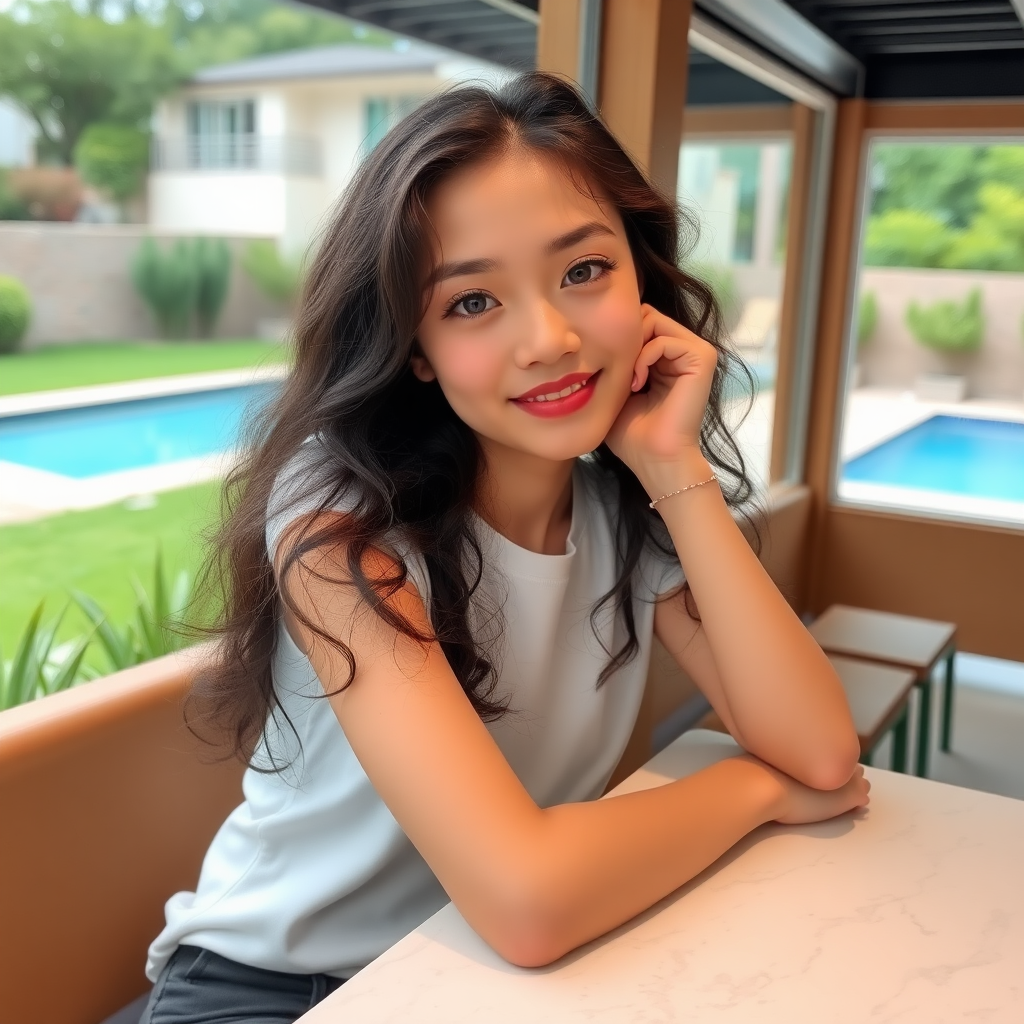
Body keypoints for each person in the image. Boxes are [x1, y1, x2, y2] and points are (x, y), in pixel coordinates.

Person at [138, 72, 867, 1024]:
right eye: (473, 303)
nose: (551, 338)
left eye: (584, 271)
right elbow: (527, 899)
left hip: (474, 981)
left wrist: (672, 466)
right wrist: (747, 788)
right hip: (275, 989)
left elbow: (820, 751)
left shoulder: (623, 504)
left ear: (640, 276)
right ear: (414, 345)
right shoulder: (340, 519)